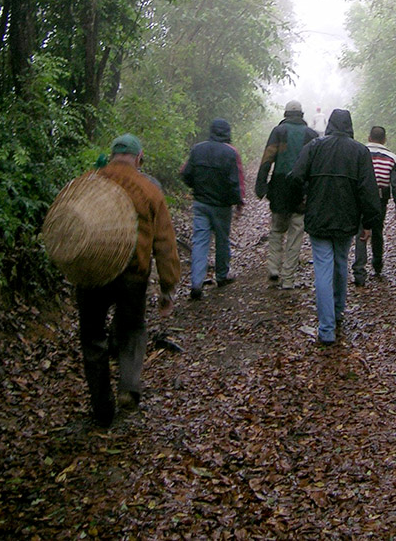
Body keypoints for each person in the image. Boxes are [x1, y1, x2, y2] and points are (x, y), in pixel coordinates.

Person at [76, 133, 181, 427]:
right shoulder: (149, 190)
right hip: (133, 273)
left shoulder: (89, 182)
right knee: (132, 328)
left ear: (111, 156)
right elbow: (164, 241)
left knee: (93, 338)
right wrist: (168, 286)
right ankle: (129, 388)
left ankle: (101, 408)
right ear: (139, 158)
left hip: (92, 270)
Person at [288, 109, 381, 345]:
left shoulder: (314, 147)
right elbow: (369, 191)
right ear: (350, 126)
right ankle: (338, 311)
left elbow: (296, 176)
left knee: (322, 269)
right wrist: (368, 223)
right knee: (341, 263)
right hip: (347, 219)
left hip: (318, 217)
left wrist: (303, 198)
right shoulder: (360, 151)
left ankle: (326, 328)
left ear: (330, 125)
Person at [255, 100, 318, 289]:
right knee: (296, 232)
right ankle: (288, 278)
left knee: (276, 229)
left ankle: (273, 268)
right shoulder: (311, 135)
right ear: (301, 114)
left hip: (280, 188)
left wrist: (261, 185)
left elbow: (268, 158)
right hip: (301, 189)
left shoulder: (278, 132)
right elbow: (314, 166)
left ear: (285, 114)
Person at [180, 118, 245, 300]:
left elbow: (185, 173)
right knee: (222, 240)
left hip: (201, 204)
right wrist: (238, 202)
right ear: (227, 133)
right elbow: (235, 181)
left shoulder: (197, 149)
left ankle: (196, 283)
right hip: (222, 207)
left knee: (200, 242)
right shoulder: (231, 153)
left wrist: (195, 188)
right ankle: (222, 276)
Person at [352, 126, 396, 286]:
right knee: (377, 229)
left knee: (361, 230)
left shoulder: (359, 152)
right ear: (384, 139)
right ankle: (377, 263)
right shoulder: (392, 158)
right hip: (380, 198)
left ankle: (359, 270)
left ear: (369, 137)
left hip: (360, 196)